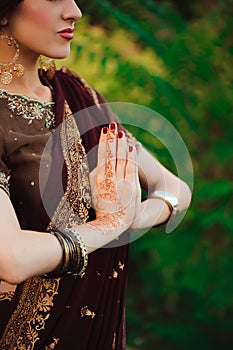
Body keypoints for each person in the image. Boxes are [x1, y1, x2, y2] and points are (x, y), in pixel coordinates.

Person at [0, 1, 191, 349]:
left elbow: (174, 187)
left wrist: (132, 215)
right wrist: (111, 222)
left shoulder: (77, 95)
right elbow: (12, 257)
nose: (75, 11)